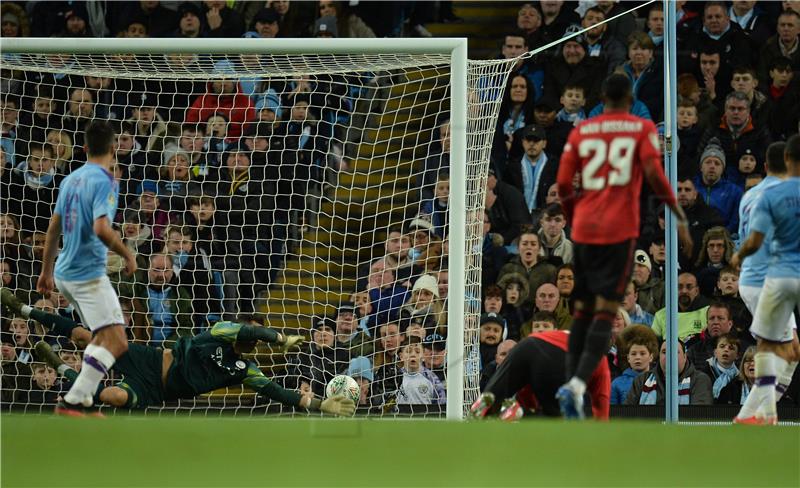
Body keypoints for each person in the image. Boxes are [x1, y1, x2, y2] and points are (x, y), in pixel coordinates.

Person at [554, 73, 690, 419]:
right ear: (631, 99)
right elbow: (656, 176)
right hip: (618, 232)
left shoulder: (582, 129)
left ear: (602, 96)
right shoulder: (641, 129)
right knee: (605, 312)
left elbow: (563, 183)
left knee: (583, 311)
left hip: (585, 230)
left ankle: (570, 383)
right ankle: (576, 386)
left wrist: (574, 215)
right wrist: (678, 217)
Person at [18, 303, 354, 416]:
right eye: (248, 331)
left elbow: (279, 392)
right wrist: (279, 337)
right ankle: (25, 309)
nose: (250, 337)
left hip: (156, 390)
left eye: (257, 335)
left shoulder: (245, 370)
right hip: (148, 359)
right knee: (86, 337)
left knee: (111, 396)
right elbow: (250, 332)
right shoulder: (222, 330)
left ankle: (62, 371)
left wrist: (318, 405)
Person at [34, 121, 136, 416]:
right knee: (117, 343)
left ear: (84, 148)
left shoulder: (71, 179)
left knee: (102, 338)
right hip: (87, 274)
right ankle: (73, 400)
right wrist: (127, 254)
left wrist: (46, 271)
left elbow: (53, 228)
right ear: (114, 147)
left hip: (64, 272)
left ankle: (86, 402)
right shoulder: (106, 180)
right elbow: (102, 228)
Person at [730, 134, 800, 425]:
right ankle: (754, 416)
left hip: (751, 277)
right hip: (768, 279)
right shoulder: (784, 196)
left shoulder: (751, 195)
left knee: (793, 349)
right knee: (778, 348)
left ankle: (760, 413)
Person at [471, 329, 610, 421]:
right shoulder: (601, 364)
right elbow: (602, 405)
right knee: (557, 419)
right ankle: (517, 413)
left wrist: (529, 405)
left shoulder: (568, 334)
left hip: (526, 345)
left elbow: (527, 383)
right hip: (554, 356)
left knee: (490, 397)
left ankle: (474, 422)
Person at [624, 340, 713, 406]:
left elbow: (699, 417)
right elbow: (628, 414)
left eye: (675, 352)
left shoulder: (700, 380)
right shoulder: (641, 380)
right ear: (659, 356)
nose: (669, 356)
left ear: (685, 357)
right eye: (664, 352)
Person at [610, 325, 658, 404]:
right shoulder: (616, 384)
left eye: (642, 354)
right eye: (633, 354)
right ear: (628, 358)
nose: (638, 357)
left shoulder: (660, 381)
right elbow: (612, 413)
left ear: (651, 357)